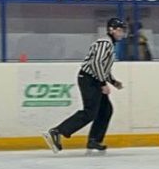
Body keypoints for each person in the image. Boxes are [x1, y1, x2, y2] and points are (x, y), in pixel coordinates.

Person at [43, 18, 127, 154]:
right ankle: (57, 131)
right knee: (90, 112)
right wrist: (103, 83)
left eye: (122, 31)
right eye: (119, 30)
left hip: (94, 79)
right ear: (111, 29)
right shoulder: (105, 43)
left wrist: (113, 82)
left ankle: (94, 140)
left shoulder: (109, 44)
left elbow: (103, 67)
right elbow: (97, 64)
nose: (121, 33)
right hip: (89, 80)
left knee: (105, 110)